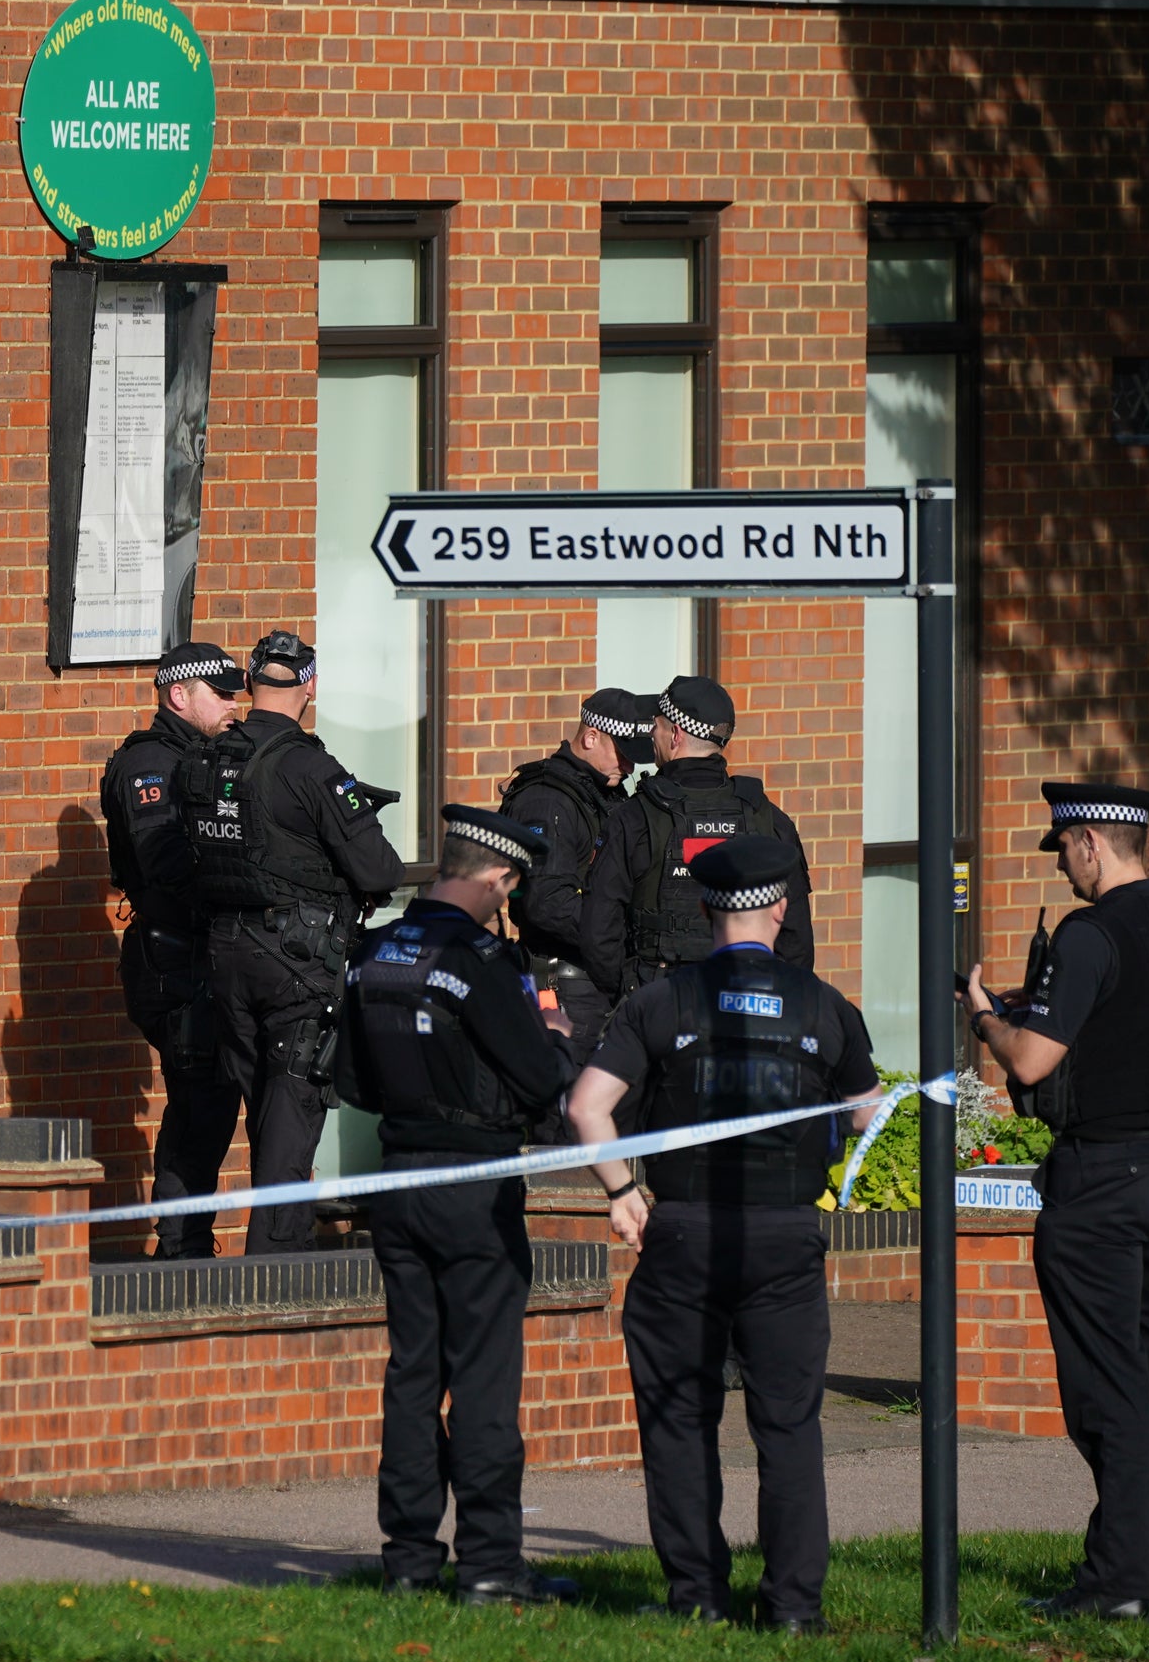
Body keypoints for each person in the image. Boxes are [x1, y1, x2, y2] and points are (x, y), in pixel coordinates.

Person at [568, 836, 880, 1632]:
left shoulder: (662, 1001)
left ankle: (698, 1598)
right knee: (787, 1424)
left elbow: (587, 1106)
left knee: (679, 1420)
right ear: (780, 909)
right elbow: (864, 1112)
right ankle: (792, 1609)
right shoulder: (826, 1006)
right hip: (784, 1237)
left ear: (707, 910)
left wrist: (624, 1192)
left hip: (684, 1236)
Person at [966, 782, 1149, 1621]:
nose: (1066, 866)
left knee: (1108, 1388)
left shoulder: (1091, 933)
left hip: (1102, 1176)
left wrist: (988, 1022)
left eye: (1063, 849)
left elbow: (1034, 1062)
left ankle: (1116, 1584)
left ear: (1087, 843)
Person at [330, 804, 584, 1604]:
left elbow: (349, 1084)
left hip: (397, 1179)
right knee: (481, 1379)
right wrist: (555, 1033)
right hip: (474, 1184)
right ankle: (488, 1565)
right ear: (497, 877)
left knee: (412, 1372)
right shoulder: (479, 960)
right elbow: (541, 1082)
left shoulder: (373, 953)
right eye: (510, 888)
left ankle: (407, 1558)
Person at [186, 629, 406, 1255]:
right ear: (310, 686)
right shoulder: (312, 768)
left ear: (251, 683)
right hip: (295, 963)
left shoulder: (205, 759)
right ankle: (273, 1274)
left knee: (264, 1111)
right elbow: (382, 872)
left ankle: (255, 1249)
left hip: (224, 953)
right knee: (291, 1114)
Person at [101, 642, 249, 1261]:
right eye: (221, 693)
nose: (233, 705)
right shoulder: (152, 763)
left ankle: (186, 1238)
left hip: (204, 954)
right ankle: (181, 1247)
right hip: (174, 959)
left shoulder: (208, 755)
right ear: (178, 694)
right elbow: (162, 859)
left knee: (212, 1103)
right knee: (198, 1104)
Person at [580, 675, 815, 1001]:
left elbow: (598, 934)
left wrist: (634, 996)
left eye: (656, 726)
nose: (651, 734)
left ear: (675, 735)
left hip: (662, 1003)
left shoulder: (633, 818)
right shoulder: (769, 820)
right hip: (745, 1007)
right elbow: (797, 939)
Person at [498, 686, 652, 1052]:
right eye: (623, 753)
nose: (629, 766)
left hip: (598, 984)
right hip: (565, 987)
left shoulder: (602, 792)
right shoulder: (548, 799)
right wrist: (619, 929)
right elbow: (545, 902)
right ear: (591, 737)